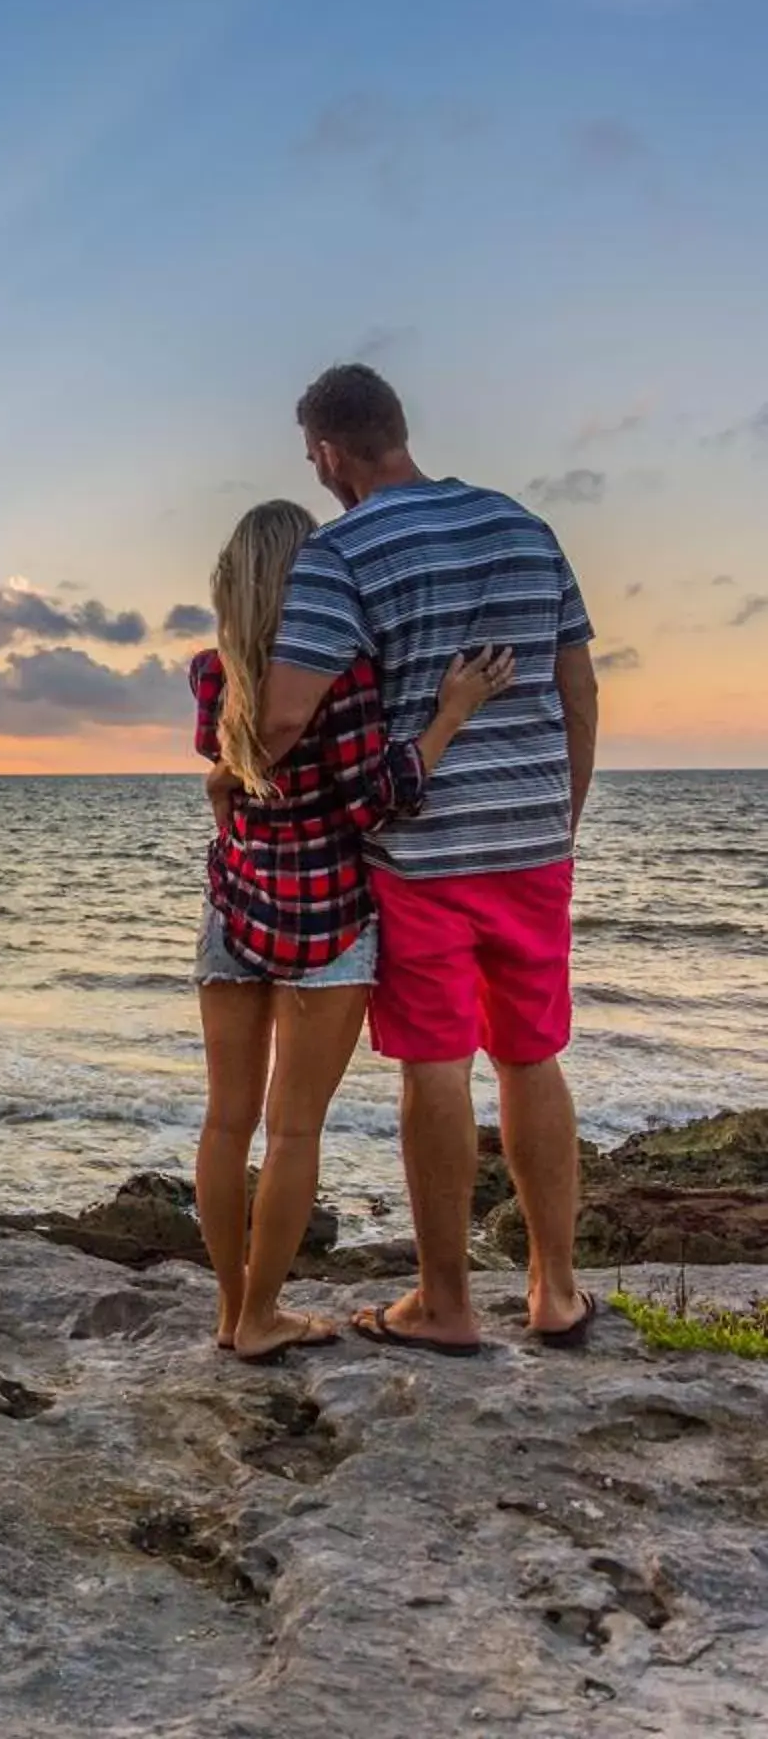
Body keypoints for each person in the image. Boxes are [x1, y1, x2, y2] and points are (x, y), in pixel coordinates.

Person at [255, 363, 603, 1354]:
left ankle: (446, 1303)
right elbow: (578, 689)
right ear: (400, 429)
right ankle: (556, 1293)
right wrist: (560, 813)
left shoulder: (343, 551)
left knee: (436, 1061)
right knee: (533, 1052)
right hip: (533, 841)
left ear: (327, 453)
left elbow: (282, 714)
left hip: (418, 851)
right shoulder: (525, 528)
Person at [192, 499, 510, 1362]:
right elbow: (375, 798)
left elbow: (229, 760)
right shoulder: (348, 676)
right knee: (293, 1129)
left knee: (226, 1122)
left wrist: (227, 779)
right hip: (328, 914)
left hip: (237, 903)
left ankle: (232, 1316)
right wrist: (450, 714)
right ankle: (263, 1315)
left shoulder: (210, 671)